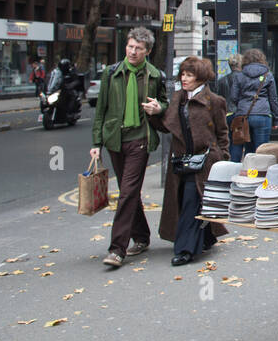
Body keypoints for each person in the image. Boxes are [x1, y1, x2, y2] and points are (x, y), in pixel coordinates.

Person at [90, 27, 168, 268]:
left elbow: (164, 102)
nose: (133, 51)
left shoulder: (155, 76)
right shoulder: (111, 73)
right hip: (115, 139)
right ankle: (142, 237)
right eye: (130, 46)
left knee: (127, 192)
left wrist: (159, 108)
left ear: (148, 51)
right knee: (129, 192)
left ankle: (117, 250)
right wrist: (96, 143)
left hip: (140, 140)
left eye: (138, 48)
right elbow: (101, 108)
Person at [150, 57, 229, 267]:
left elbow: (222, 134)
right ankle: (206, 237)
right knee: (185, 201)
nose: (184, 79)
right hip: (181, 161)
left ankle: (185, 249)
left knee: (191, 202)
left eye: (189, 75)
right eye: (183, 74)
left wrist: (224, 161)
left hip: (205, 162)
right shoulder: (178, 98)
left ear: (201, 78)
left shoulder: (214, 101)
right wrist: (156, 113)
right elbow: (167, 126)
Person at [227, 48, 278, 161]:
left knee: (240, 144)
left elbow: (233, 97)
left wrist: (242, 105)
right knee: (261, 150)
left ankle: (236, 171)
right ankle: (258, 175)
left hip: (242, 115)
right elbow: (273, 99)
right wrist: (276, 119)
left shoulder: (239, 75)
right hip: (262, 115)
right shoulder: (268, 75)